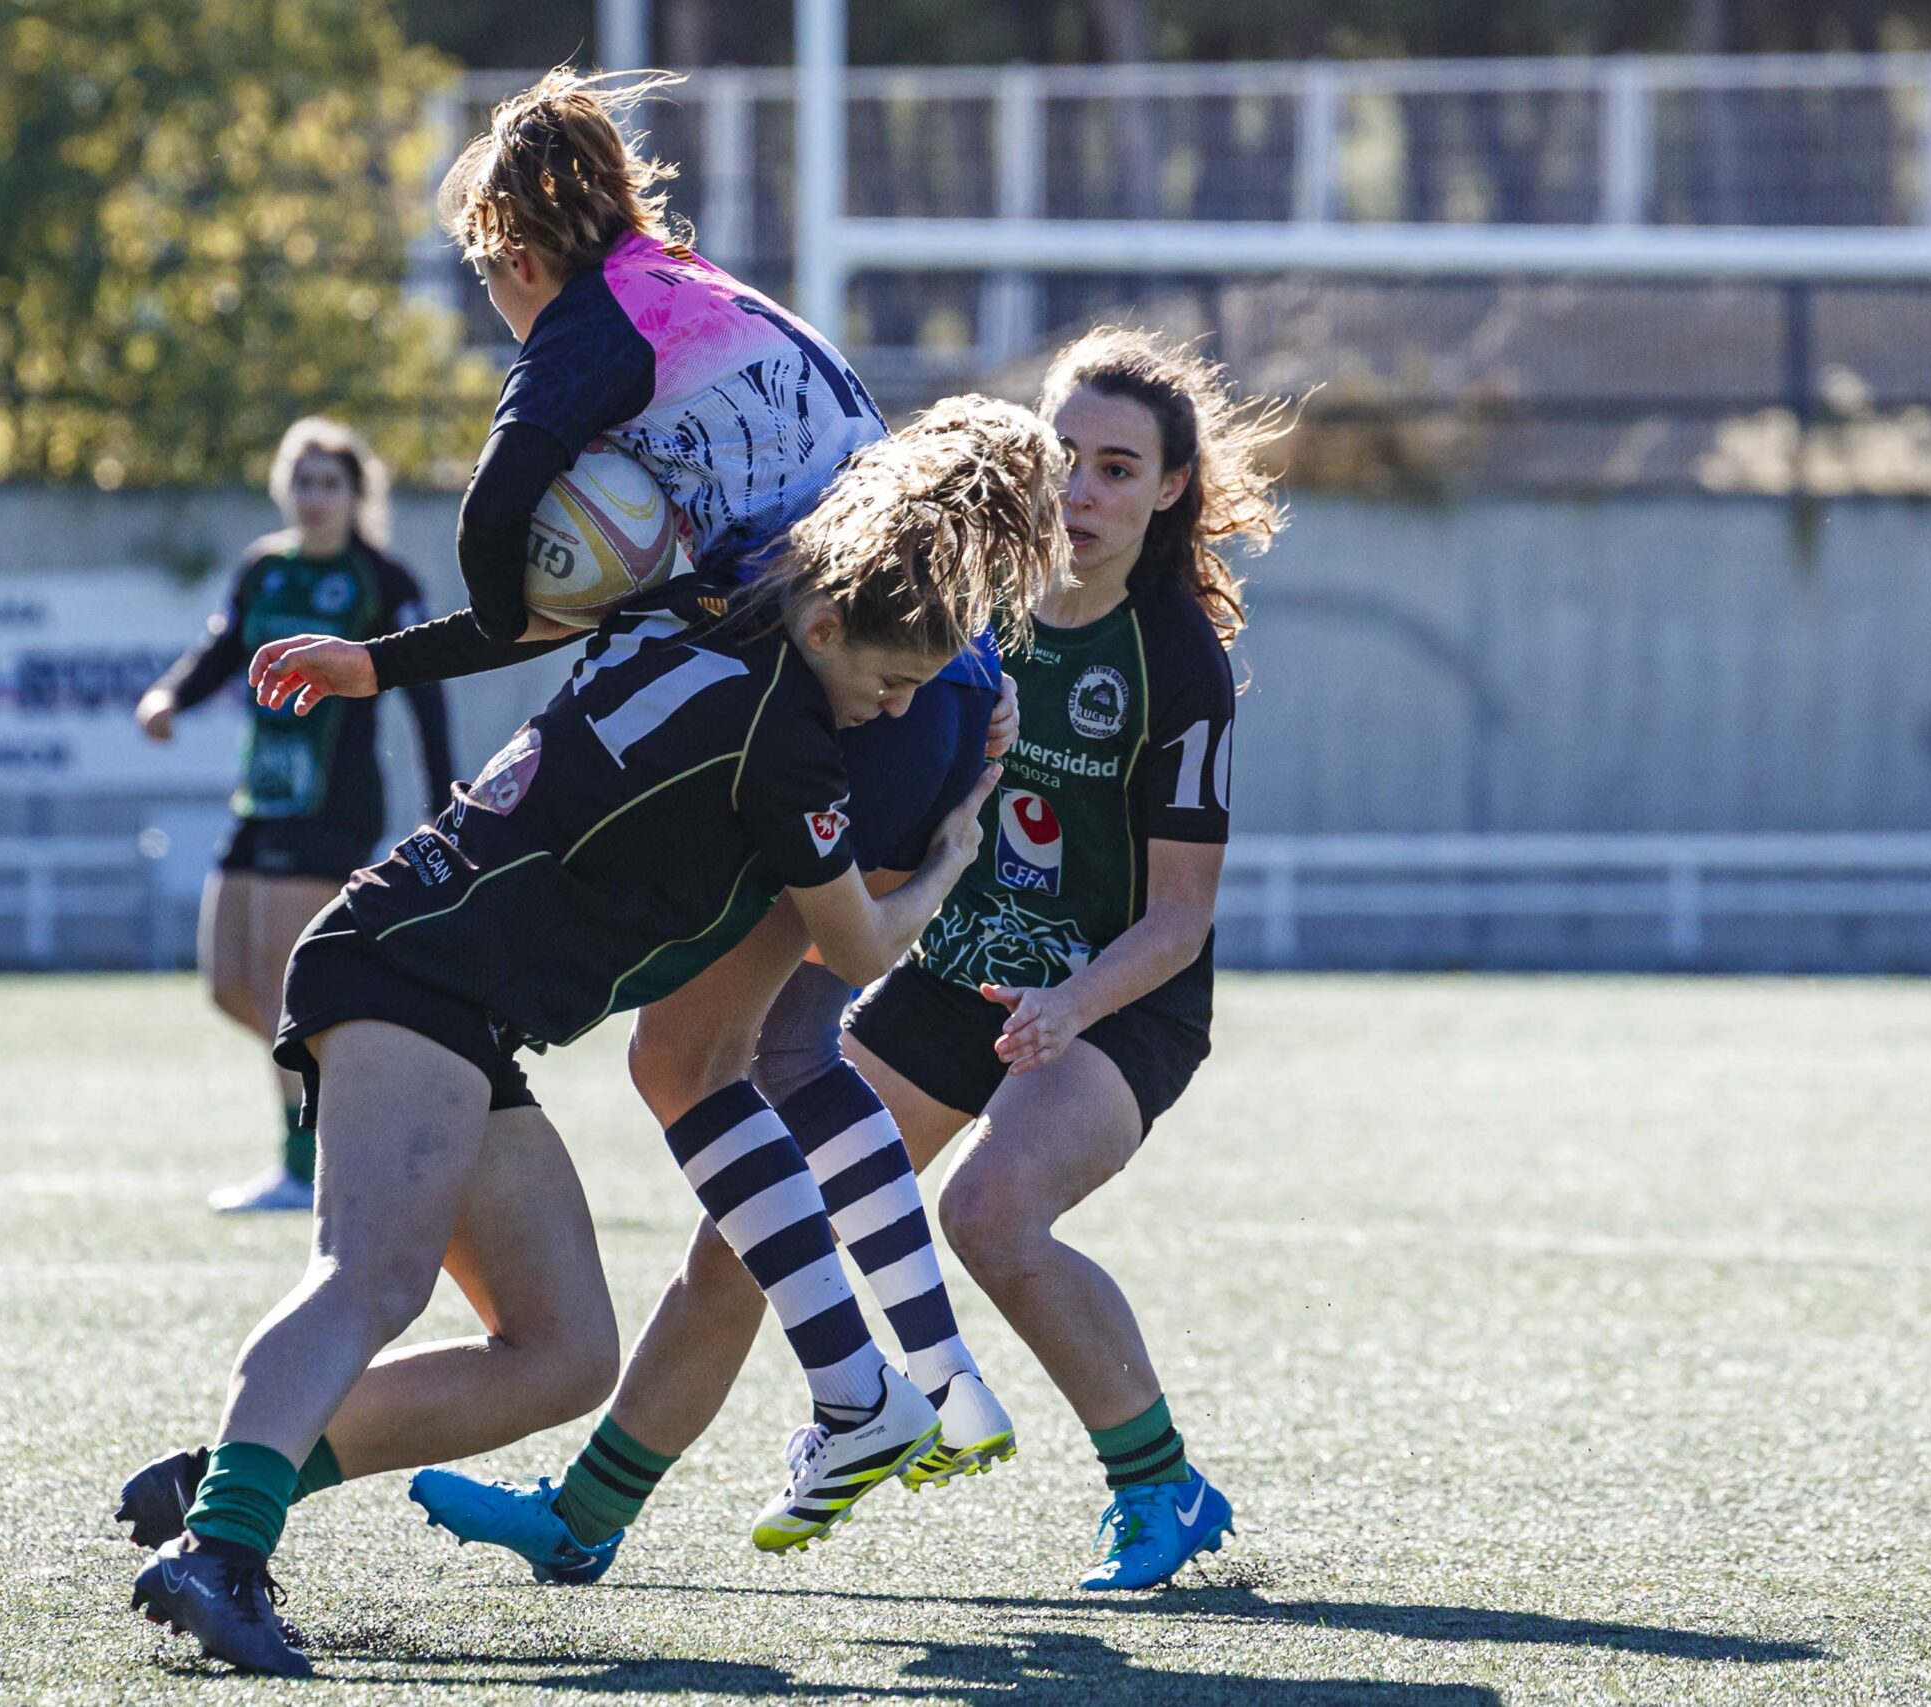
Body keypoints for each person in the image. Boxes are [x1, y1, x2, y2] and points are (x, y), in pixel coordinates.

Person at [127, 398, 1070, 1677]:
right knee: (373, 1276)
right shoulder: (787, 740)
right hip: (409, 965)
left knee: (563, 1356)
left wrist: (380, 659)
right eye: (890, 684)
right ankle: (221, 1555)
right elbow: (855, 952)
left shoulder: (709, 591)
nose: (898, 713)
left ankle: (232, 1479)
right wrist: (951, 852)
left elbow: (536, 615)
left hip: (465, 1005)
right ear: (832, 624)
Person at [244, 67, 1028, 1529]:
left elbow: (497, 530)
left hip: (843, 695)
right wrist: (397, 658)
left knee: (691, 1064)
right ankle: (924, 1370)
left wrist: (515, 585)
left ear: (511, 251)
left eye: (488, 282)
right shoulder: (712, 301)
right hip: (940, 682)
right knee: (784, 1049)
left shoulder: (590, 324)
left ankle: (863, 1387)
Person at [412, 324, 1289, 1597]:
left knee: (992, 1213)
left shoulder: (1177, 666)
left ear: (1168, 489)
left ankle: (1160, 1487)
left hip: (1112, 1005)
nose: (1083, 493)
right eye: (1065, 459)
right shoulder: (966, 601)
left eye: (1116, 469)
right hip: (944, 979)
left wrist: (1068, 1002)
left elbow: (1179, 918)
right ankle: (584, 1515)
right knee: (751, 1227)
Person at [134, 419, 455, 1214]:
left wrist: (444, 796)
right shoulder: (263, 569)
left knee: (283, 983)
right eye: (302, 482)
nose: (314, 497)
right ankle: (358, 1084)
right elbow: (221, 649)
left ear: (356, 495)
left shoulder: (381, 579)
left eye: (329, 484)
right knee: (228, 984)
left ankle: (305, 1162)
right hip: (261, 796)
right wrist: (170, 695)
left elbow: (425, 688)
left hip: (332, 804)